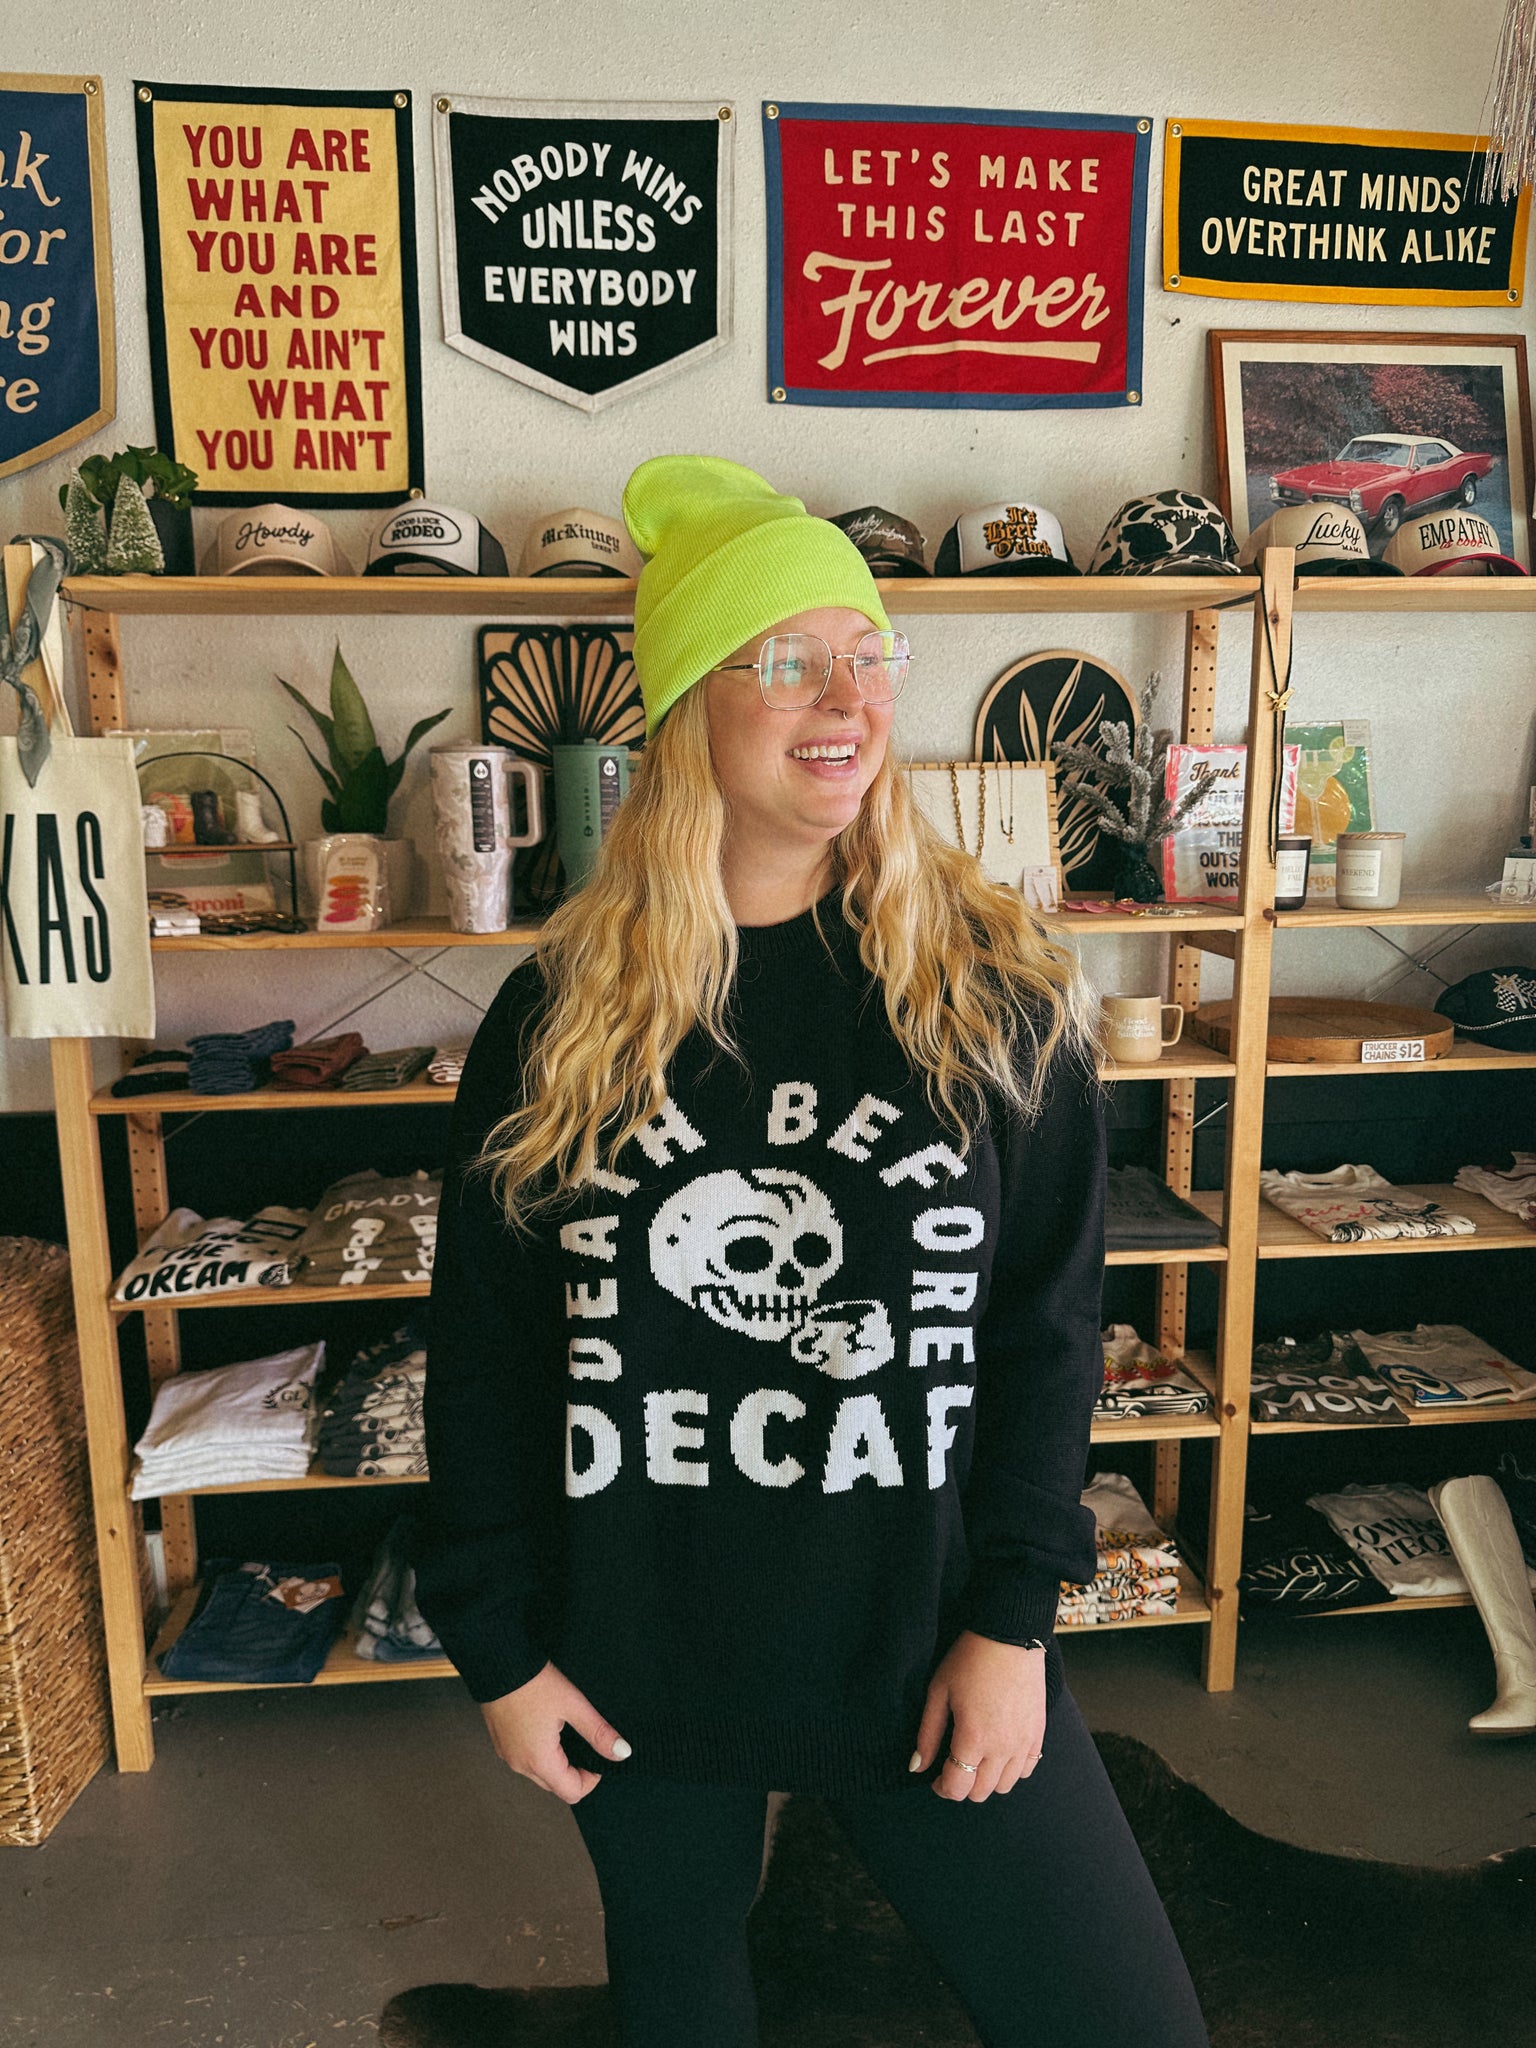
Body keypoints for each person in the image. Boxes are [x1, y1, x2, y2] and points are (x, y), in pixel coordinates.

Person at [416, 456, 1210, 2048]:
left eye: (867, 653)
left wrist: (1014, 1624)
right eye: (786, 660)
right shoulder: (563, 1014)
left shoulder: (992, 990)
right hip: (640, 1649)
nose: (847, 698)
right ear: (686, 711)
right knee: (683, 2012)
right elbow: (489, 1350)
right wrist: (497, 1649)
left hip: (922, 1636)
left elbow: (1045, 1337)